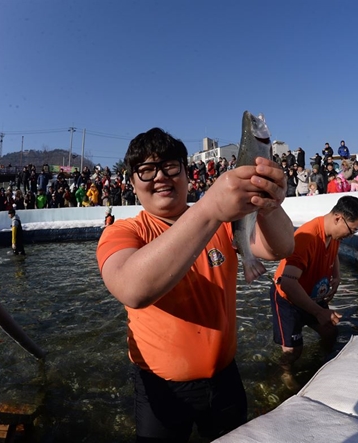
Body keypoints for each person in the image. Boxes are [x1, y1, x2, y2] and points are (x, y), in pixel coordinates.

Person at [96, 127, 294, 442]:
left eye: (170, 167)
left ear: (187, 175)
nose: (160, 177)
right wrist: (208, 208)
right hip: (160, 388)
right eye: (146, 171)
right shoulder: (123, 232)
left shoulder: (224, 223)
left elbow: (280, 248)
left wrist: (267, 202)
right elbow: (132, 289)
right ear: (133, 184)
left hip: (225, 379)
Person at [270, 195, 358, 389]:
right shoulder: (308, 237)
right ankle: (284, 373)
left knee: (330, 330)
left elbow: (334, 252)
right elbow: (288, 283)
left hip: (312, 293)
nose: (351, 235)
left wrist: (336, 276)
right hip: (288, 299)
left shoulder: (335, 234)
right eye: (351, 230)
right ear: (338, 218)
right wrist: (319, 312)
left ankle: (325, 364)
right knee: (293, 351)